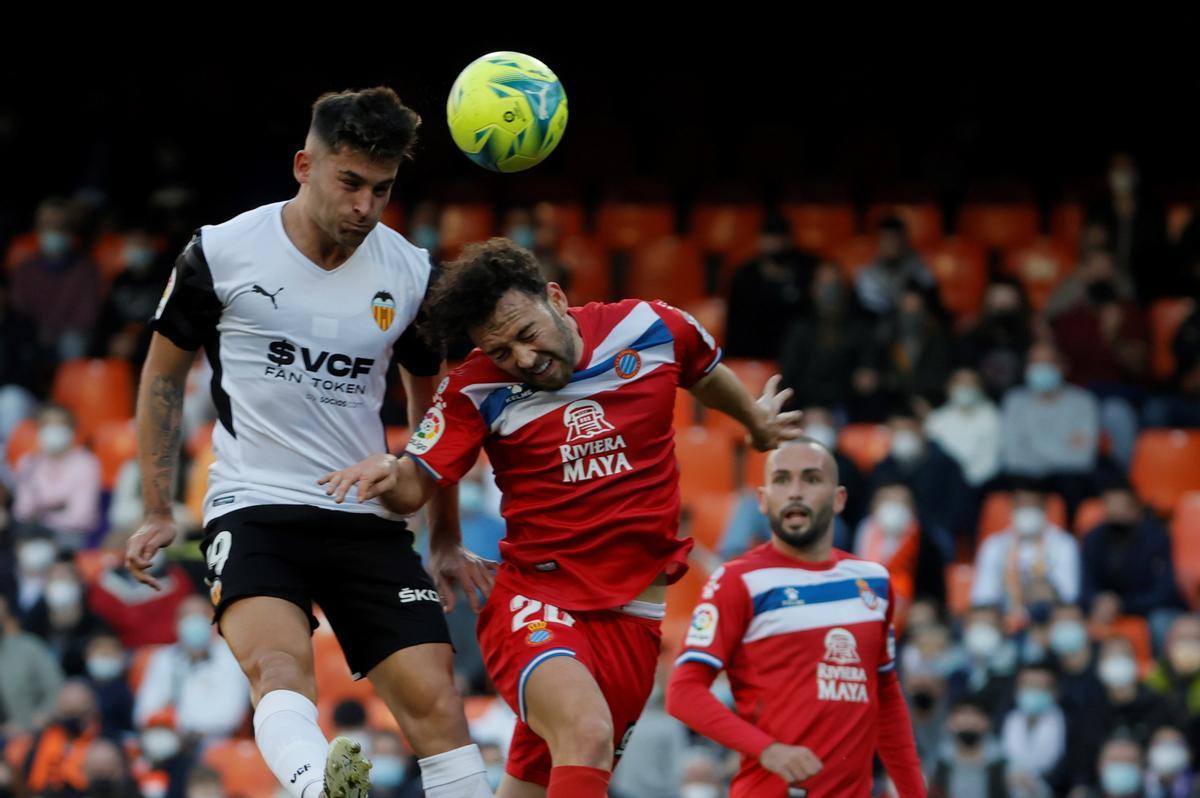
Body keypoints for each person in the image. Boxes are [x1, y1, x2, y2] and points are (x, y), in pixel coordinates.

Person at [319, 237, 803, 798]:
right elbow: (418, 481)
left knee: (540, 778)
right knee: (586, 732)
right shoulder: (476, 388)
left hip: (634, 616)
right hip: (537, 602)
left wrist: (754, 420)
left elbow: (700, 366)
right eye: (502, 352)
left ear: (554, 296)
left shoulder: (650, 327)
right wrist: (391, 471)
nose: (523, 359)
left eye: (527, 335)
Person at [124, 86, 494, 798]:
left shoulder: (411, 273)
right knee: (278, 667)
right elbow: (162, 378)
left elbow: (435, 413)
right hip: (253, 501)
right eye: (349, 182)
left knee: (439, 707)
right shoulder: (223, 252)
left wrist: (442, 532)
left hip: (366, 514)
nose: (364, 206)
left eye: (381, 190)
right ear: (304, 165)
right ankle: (317, 786)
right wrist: (156, 507)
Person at [664, 440, 924, 796]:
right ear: (763, 499)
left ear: (839, 499)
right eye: (782, 480)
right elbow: (683, 693)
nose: (795, 492)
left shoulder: (873, 581)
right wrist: (767, 750)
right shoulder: (737, 580)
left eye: (811, 479)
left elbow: (887, 697)